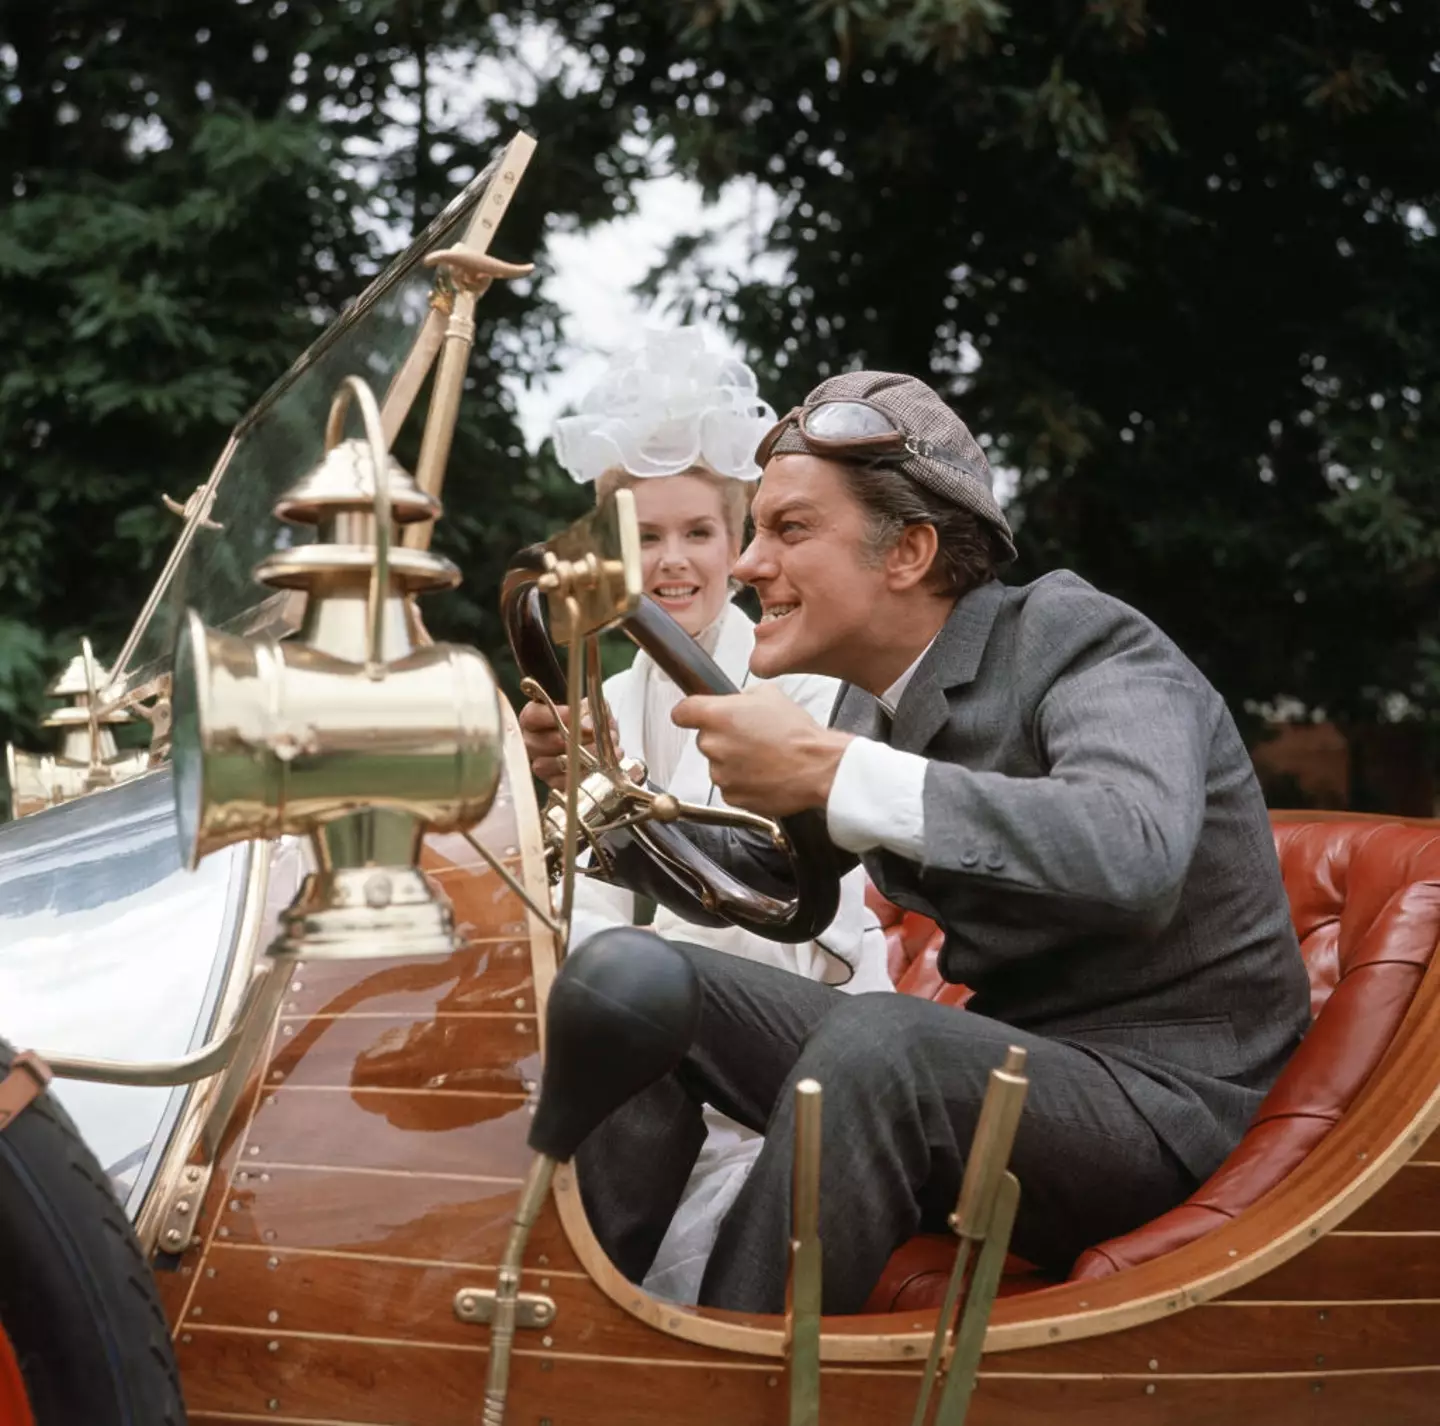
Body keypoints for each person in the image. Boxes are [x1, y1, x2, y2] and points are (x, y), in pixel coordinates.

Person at [521, 368, 1312, 1315]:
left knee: (881, 1039)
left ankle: (728, 1380)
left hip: (1167, 1109)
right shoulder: (871, 704)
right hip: (1010, 1069)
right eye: (755, 531)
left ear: (909, 551)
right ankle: (560, 1332)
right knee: (646, 982)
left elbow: (1132, 851)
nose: (747, 565)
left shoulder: (1085, 639)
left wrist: (832, 771)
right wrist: (602, 793)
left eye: (790, 530)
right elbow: (779, 887)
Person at [548, 330, 893, 1305]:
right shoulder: (609, 701)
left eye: (698, 533)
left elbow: (775, 919)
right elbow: (585, 911)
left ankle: (580, 1300)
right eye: (644, 537)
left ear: (738, 543)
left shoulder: (804, 687)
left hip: (792, 1031)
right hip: (641, 1043)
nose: (672, 562)